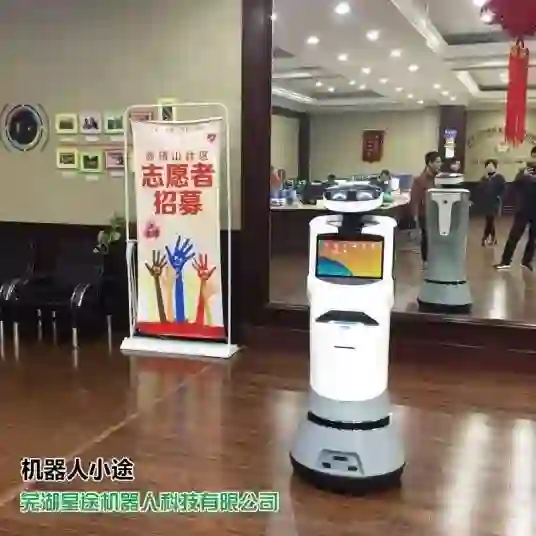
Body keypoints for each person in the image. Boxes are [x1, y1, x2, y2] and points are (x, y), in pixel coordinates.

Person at [494, 147, 536, 271]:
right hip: (523, 208)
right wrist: (524, 176)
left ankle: (526, 261)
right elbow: (515, 184)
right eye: (534, 156)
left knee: (533, 238)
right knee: (514, 235)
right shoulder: (523, 172)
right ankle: (505, 261)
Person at [410, 151, 442, 264]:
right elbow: (415, 199)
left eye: (440, 162)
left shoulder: (440, 179)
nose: (440, 164)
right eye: (437, 162)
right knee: (427, 237)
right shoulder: (420, 180)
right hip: (425, 214)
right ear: (429, 163)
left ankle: (436, 258)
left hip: (439, 213)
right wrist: (415, 217)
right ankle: (426, 261)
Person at [478, 159, 506, 246]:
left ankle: (485, 237)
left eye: (491, 166)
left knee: (490, 219)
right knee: (489, 220)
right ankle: (493, 238)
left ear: (495, 167)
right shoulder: (484, 178)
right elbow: (480, 189)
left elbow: (504, 189)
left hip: (495, 202)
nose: (489, 168)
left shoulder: (499, 178)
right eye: (487, 166)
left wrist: (499, 196)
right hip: (486, 202)